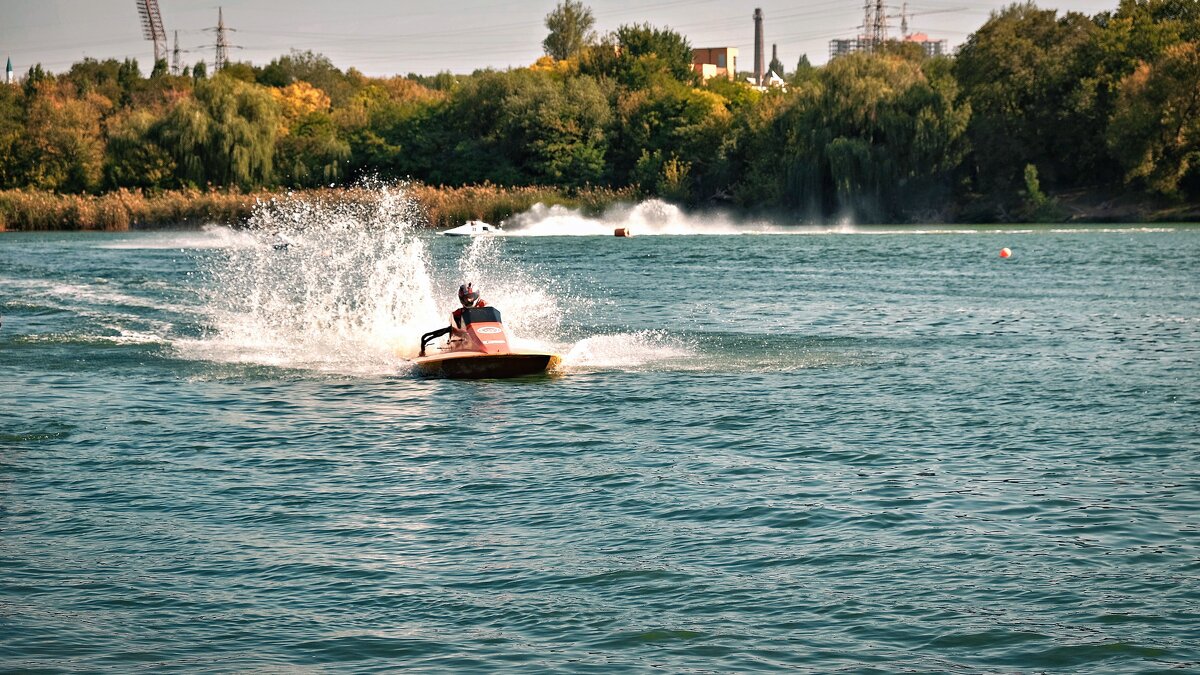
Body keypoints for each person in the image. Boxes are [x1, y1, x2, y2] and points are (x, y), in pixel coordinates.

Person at [419, 283, 488, 356]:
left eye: (470, 297)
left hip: (488, 339)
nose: (468, 300)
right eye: (465, 298)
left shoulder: (485, 306)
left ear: (476, 296)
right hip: (463, 344)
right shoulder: (457, 314)